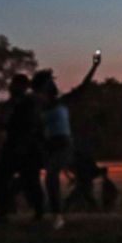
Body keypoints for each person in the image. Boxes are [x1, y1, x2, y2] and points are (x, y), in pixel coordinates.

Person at [31, 53, 101, 230]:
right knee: (49, 178)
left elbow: (82, 88)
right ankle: (51, 213)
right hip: (49, 146)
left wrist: (94, 67)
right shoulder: (38, 107)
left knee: (51, 177)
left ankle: (57, 215)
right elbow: (37, 130)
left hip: (64, 144)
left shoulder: (61, 103)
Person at [0, 74, 45, 222]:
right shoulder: (26, 102)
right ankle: (5, 211)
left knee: (28, 181)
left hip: (23, 146)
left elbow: (8, 121)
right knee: (5, 179)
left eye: (14, 84)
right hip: (20, 146)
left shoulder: (26, 102)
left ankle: (37, 211)